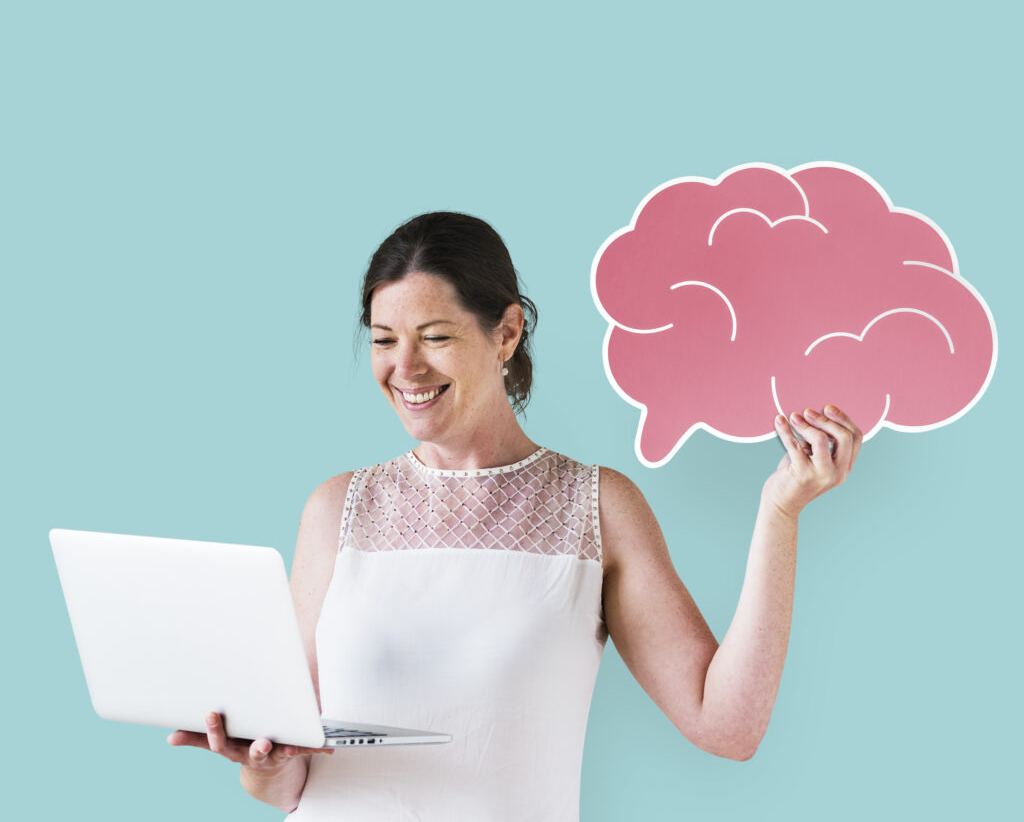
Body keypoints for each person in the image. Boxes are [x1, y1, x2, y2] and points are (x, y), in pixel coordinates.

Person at [168, 212, 862, 819]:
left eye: (434, 336)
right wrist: (261, 764)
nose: (404, 367)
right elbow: (291, 783)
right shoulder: (336, 510)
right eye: (383, 340)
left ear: (505, 333)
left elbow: (728, 726)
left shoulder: (596, 506)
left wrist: (781, 513)